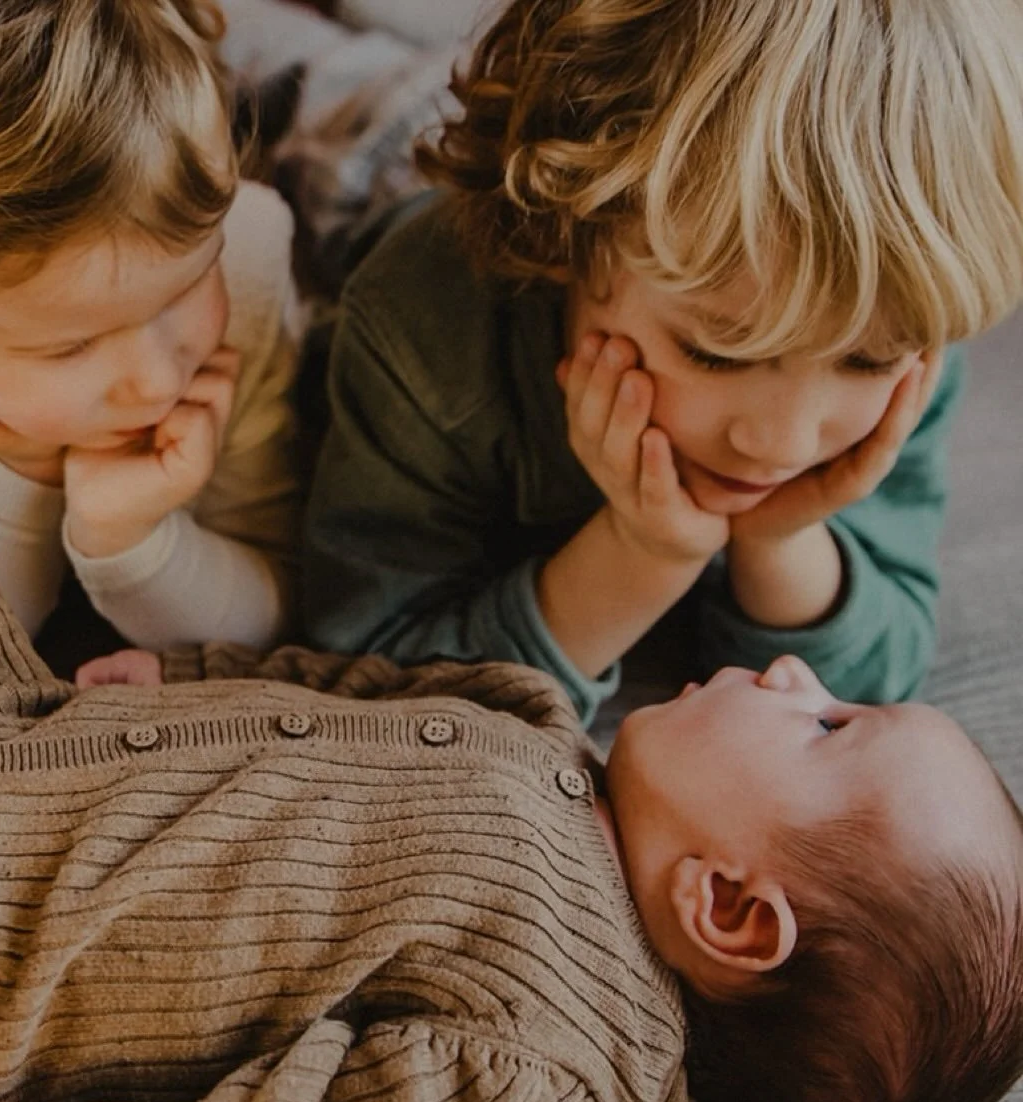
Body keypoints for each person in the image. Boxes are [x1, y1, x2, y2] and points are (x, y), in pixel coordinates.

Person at [0, 551, 1019, 1102]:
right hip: (20, 728)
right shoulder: (547, 719)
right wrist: (192, 674)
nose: (796, 672)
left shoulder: (542, 1047)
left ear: (729, 911)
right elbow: (358, 687)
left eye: (829, 725)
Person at [297, 0, 1023, 724]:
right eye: (716, 351)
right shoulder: (421, 322)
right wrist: (639, 555)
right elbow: (376, 681)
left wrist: (783, 539)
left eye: (865, 363)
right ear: (566, 236)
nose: (785, 444)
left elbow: (862, 691)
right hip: (385, 156)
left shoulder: (898, 315)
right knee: (284, 94)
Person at [0, 0, 305, 651]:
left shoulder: (247, 267)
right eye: (71, 347)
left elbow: (278, 620)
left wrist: (131, 540)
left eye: (192, 283)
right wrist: (21, 472)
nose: (159, 378)